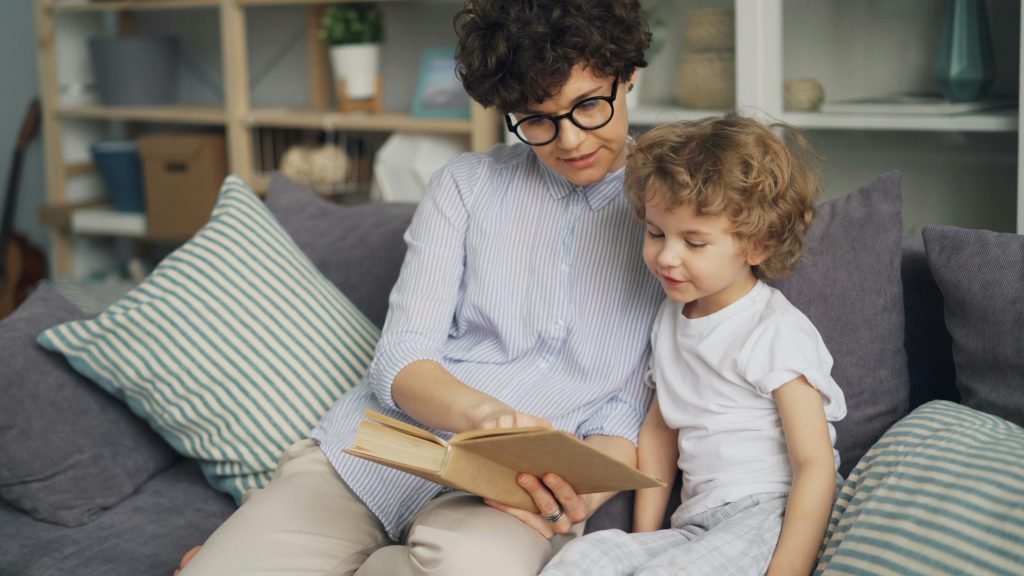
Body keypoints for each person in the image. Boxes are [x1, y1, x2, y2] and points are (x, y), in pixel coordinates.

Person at [176, 1, 663, 575]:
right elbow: (401, 358)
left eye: (588, 106)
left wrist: (580, 494)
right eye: (537, 120)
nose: (570, 140)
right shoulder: (466, 185)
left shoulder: (676, 214)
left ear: (628, 74)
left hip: (509, 494)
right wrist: (487, 418)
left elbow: (626, 407)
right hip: (373, 456)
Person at [541, 116, 848, 576]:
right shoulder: (670, 318)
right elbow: (659, 431)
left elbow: (814, 463)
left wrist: (788, 571)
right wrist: (645, 540)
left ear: (757, 246)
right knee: (584, 558)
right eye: (656, 233)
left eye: (695, 242)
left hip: (769, 511)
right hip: (696, 524)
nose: (667, 257)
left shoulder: (775, 330)